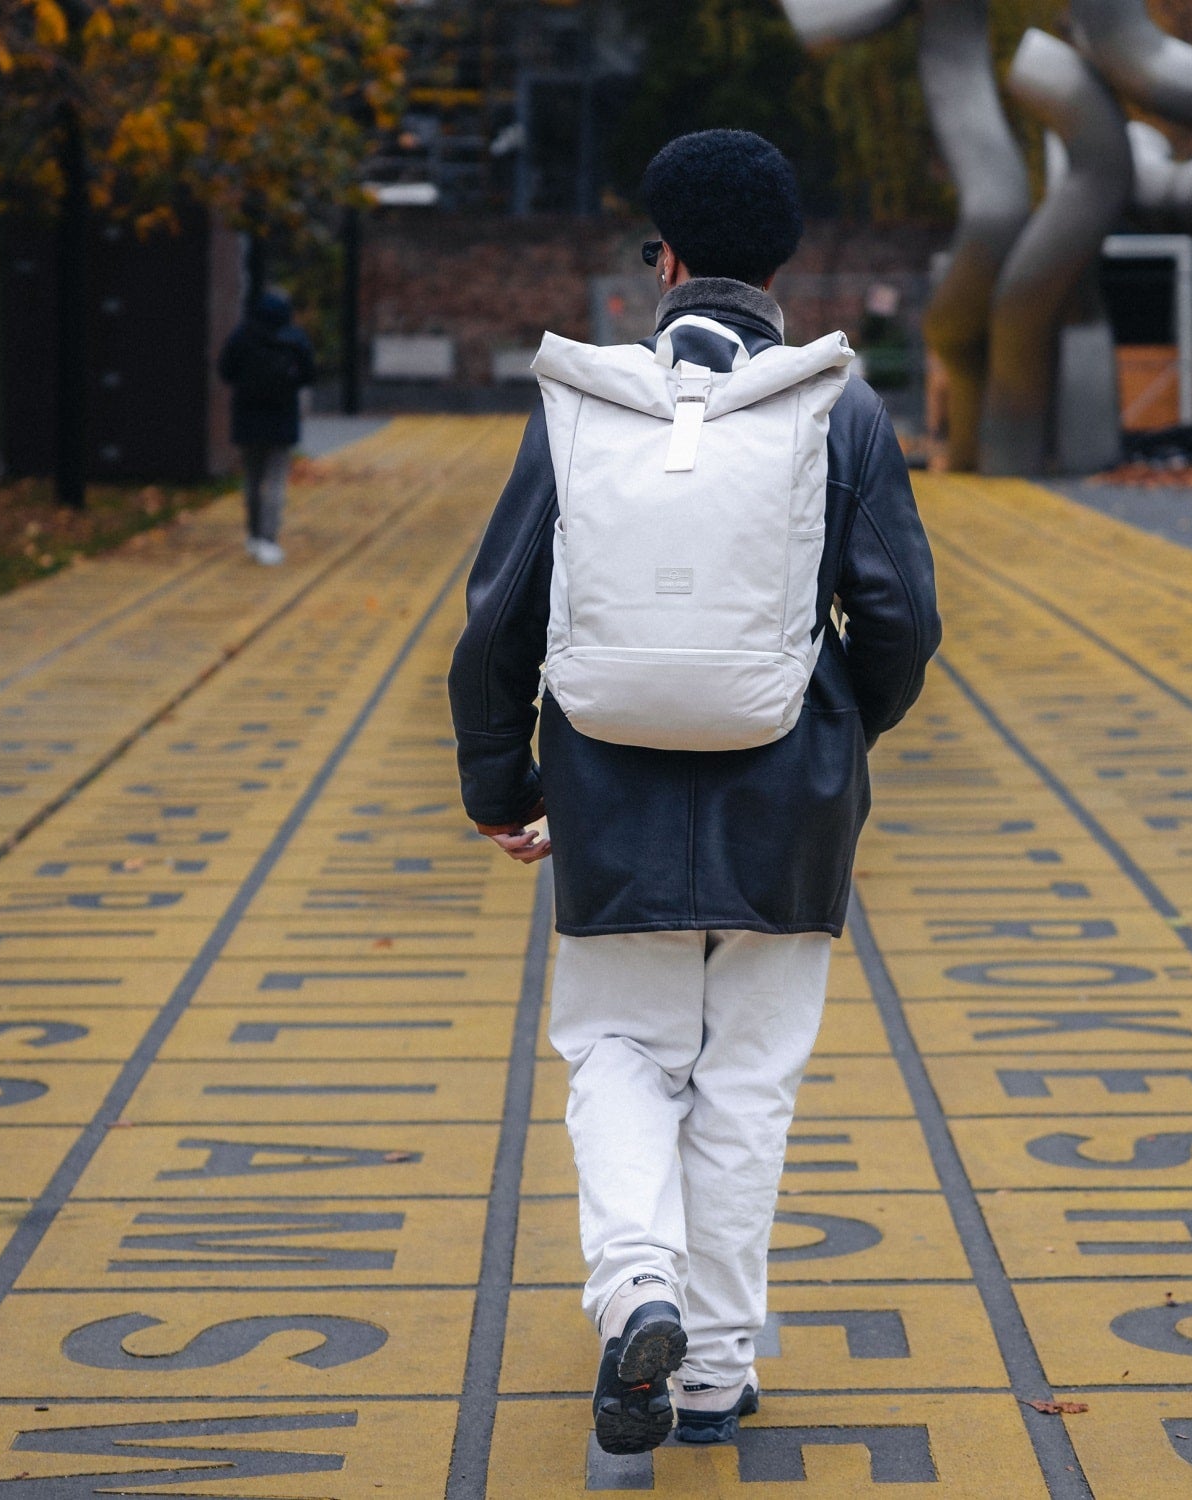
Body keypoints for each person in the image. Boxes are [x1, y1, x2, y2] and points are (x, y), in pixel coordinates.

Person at [448, 129, 941, 1454]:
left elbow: (499, 622)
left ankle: (637, 1289)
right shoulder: (837, 402)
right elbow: (901, 617)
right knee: (749, 1087)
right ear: (784, 263)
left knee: (618, 1051)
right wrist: (838, 729)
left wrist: (504, 785)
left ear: (660, 259)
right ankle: (716, 1375)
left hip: (608, 793)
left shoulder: (585, 404)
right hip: (792, 801)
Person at [216, 289, 314, 566]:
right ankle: (269, 539)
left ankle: (254, 535)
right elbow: (309, 375)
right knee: (275, 481)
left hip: (248, 418)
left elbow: (225, 370)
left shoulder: (242, 336)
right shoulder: (295, 338)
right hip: (282, 418)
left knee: (252, 478)